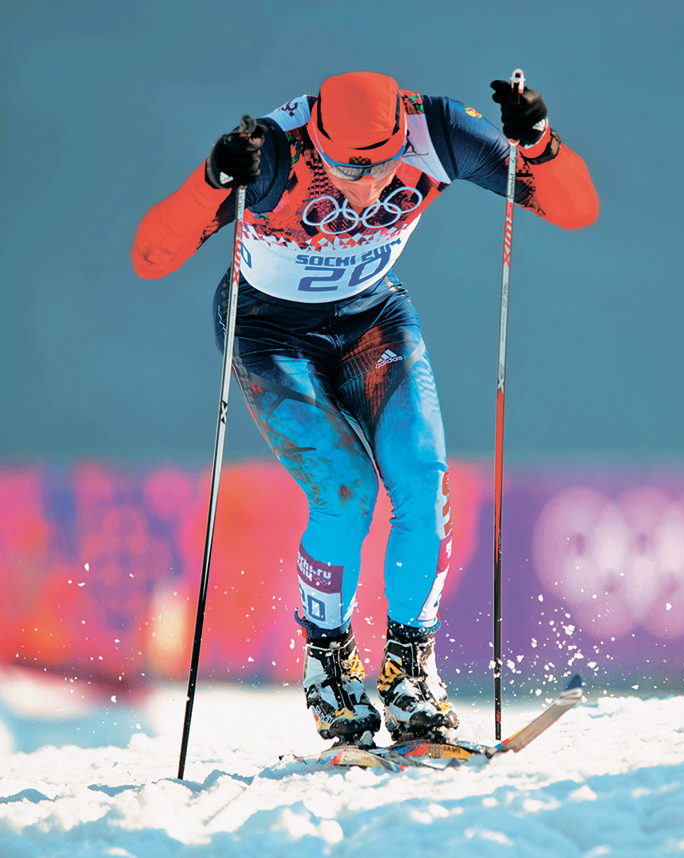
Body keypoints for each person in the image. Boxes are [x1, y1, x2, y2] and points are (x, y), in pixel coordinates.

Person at [132, 70, 599, 745]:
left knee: (419, 475)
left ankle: (410, 670)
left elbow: (575, 209)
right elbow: (153, 256)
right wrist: (210, 180)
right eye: (349, 165)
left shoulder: (439, 132)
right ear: (315, 136)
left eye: (384, 161)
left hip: (372, 317)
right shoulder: (273, 153)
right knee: (347, 492)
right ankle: (328, 665)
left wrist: (540, 142)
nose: (370, 180)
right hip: (269, 332)